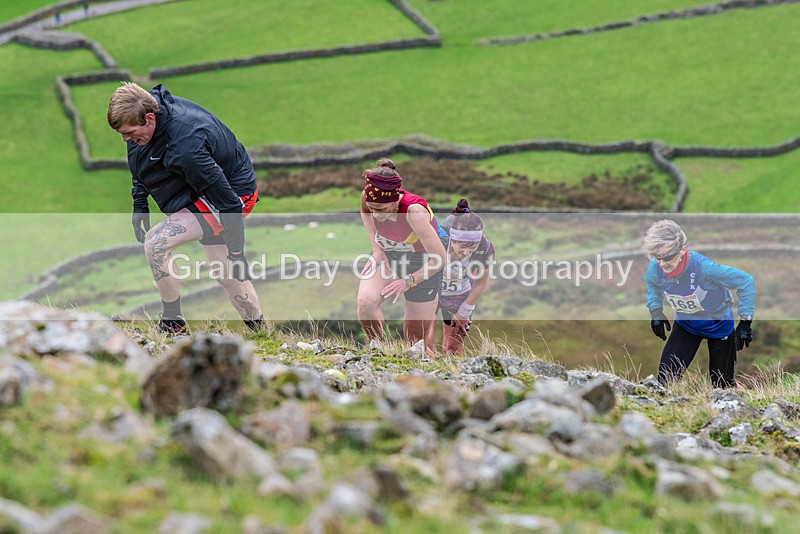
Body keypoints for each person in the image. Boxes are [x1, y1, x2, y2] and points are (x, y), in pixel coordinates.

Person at [107, 82, 264, 334]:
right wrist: (140, 203)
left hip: (232, 193)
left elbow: (229, 203)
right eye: (122, 134)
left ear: (150, 118)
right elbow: (140, 160)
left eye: (130, 133)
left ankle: (173, 324)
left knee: (156, 244)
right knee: (224, 272)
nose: (126, 139)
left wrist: (237, 253)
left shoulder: (187, 146)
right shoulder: (143, 113)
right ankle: (260, 330)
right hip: (197, 187)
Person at [643, 219, 754, 388]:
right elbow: (653, 285)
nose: (663, 263)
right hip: (686, 325)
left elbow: (745, 281)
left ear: (682, 251)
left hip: (718, 326)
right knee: (665, 382)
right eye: (658, 257)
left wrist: (745, 323)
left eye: (668, 257)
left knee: (723, 386)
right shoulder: (656, 266)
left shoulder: (705, 269)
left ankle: (747, 399)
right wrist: (656, 311)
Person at [357, 158, 447, 355]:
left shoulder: (414, 211)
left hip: (424, 261)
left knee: (415, 343)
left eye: (381, 209)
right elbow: (366, 215)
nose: (376, 214)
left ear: (394, 199)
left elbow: (440, 259)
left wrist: (409, 280)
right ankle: (378, 350)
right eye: (372, 207)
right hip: (390, 254)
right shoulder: (367, 197)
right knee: (365, 303)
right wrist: (377, 248)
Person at [438, 199, 494, 355]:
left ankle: (452, 369)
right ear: (453, 239)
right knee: (424, 340)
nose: (466, 252)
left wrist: (464, 311)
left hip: (459, 293)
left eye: (472, 247)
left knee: (454, 346)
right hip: (431, 289)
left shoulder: (485, 248)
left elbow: (481, 282)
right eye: (462, 247)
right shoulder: (439, 240)